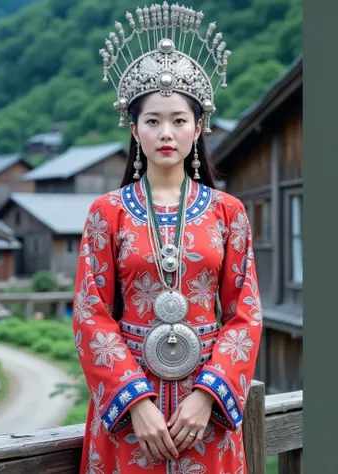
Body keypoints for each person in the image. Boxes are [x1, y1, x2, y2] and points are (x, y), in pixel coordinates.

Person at [72, 3, 262, 473]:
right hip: (129, 414)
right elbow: (90, 313)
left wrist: (208, 395)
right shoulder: (107, 213)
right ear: (133, 129)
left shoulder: (227, 212)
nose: (166, 133)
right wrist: (135, 402)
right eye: (152, 120)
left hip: (205, 414)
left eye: (179, 120)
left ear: (199, 127)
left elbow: (245, 313)